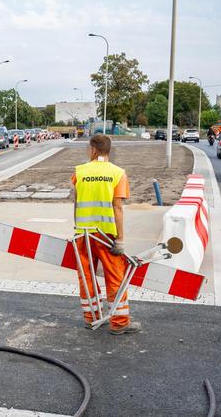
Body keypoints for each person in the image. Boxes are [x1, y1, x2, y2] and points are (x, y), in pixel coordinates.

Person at [71, 134, 141, 335]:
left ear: (93, 150)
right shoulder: (118, 173)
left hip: (83, 234)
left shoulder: (79, 172)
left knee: (87, 277)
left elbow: (76, 203)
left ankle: (91, 317)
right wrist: (120, 238)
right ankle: (119, 323)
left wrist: (78, 228)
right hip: (105, 235)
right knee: (115, 276)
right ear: (107, 151)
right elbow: (117, 207)